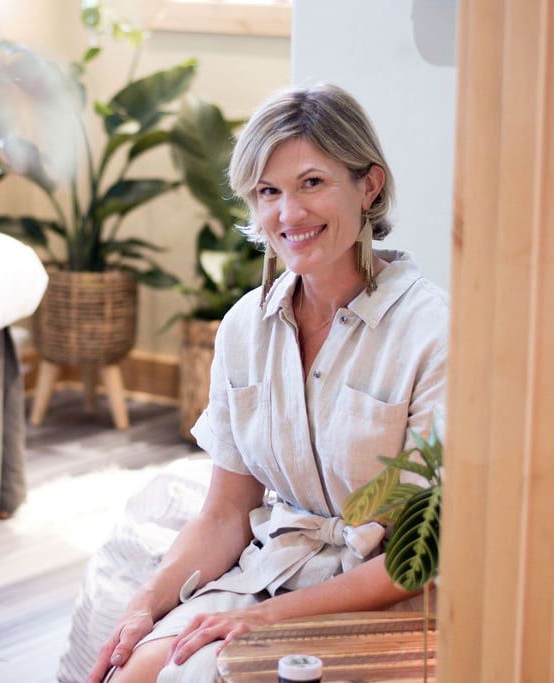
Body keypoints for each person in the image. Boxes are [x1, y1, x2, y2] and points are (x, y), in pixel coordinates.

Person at [88, 83, 448, 683]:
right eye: (268, 192)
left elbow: (422, 561)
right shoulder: (242, 329)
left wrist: (267, 620)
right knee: (137, 673)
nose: (289, 214)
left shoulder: (434, 332)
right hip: (273, 568)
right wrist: (144, 606)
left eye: (312, 183)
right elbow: (227, 513)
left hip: (386, 596)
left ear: (369, 185)